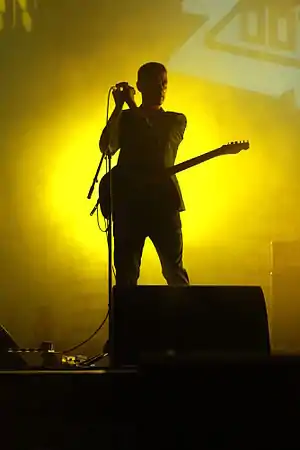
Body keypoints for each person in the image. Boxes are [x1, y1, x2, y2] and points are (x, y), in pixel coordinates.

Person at [99, 62, 189, 286]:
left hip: (163, 205)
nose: (161, 89)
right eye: (155, 84)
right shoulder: (127, 119)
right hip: (130, 206)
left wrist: (130, 103)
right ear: (140, 86)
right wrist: (119, 109)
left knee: (173, 271)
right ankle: (127, 319)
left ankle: (185, 318)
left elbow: (156, 145)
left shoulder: (175, 120)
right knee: (126, 275)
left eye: (164, 84)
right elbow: (106, 147)